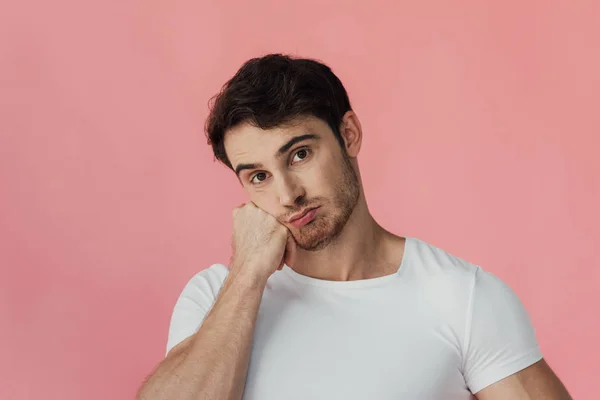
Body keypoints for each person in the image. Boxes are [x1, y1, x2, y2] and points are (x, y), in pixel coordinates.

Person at [137, 54, 571, 400]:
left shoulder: (462, 297)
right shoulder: (215, 296)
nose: (287, 195)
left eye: (300, 155)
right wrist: (248, 275)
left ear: (349, 134)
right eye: (258, 177)